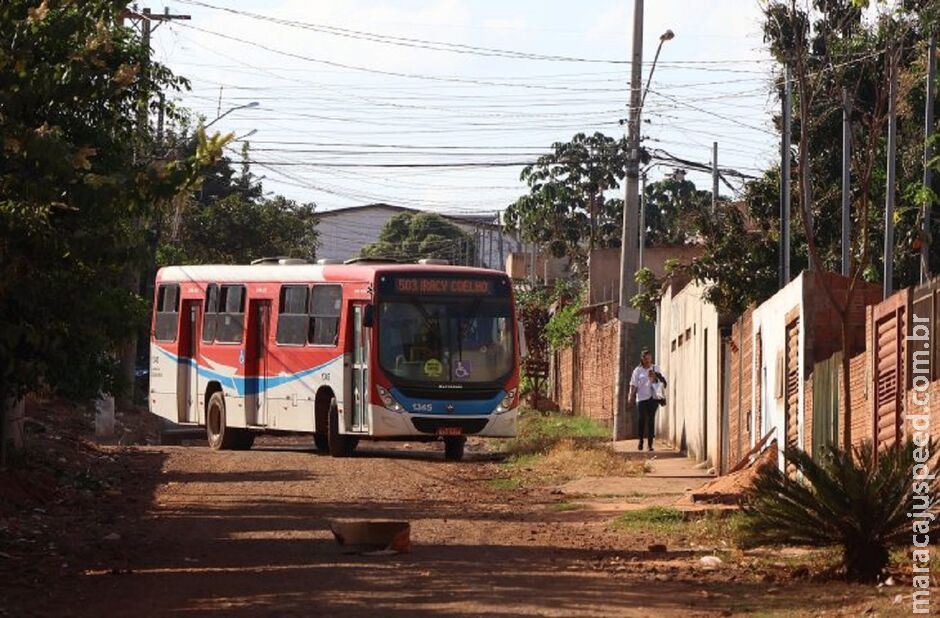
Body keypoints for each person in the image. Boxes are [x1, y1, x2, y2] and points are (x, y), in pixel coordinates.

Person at [628, 348, 667, 451]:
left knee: (651, 420)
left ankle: (650, 444)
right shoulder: (638, 370)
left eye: (649, 358)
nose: (648, 360)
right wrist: (631, 397)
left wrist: (655, 377)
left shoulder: (656, 368)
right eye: (645, 358)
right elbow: (633, 385)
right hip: (641, 398)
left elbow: (663, 383)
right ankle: (640, 441)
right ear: (642, 359)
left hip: (653, 398)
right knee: (641, 420)